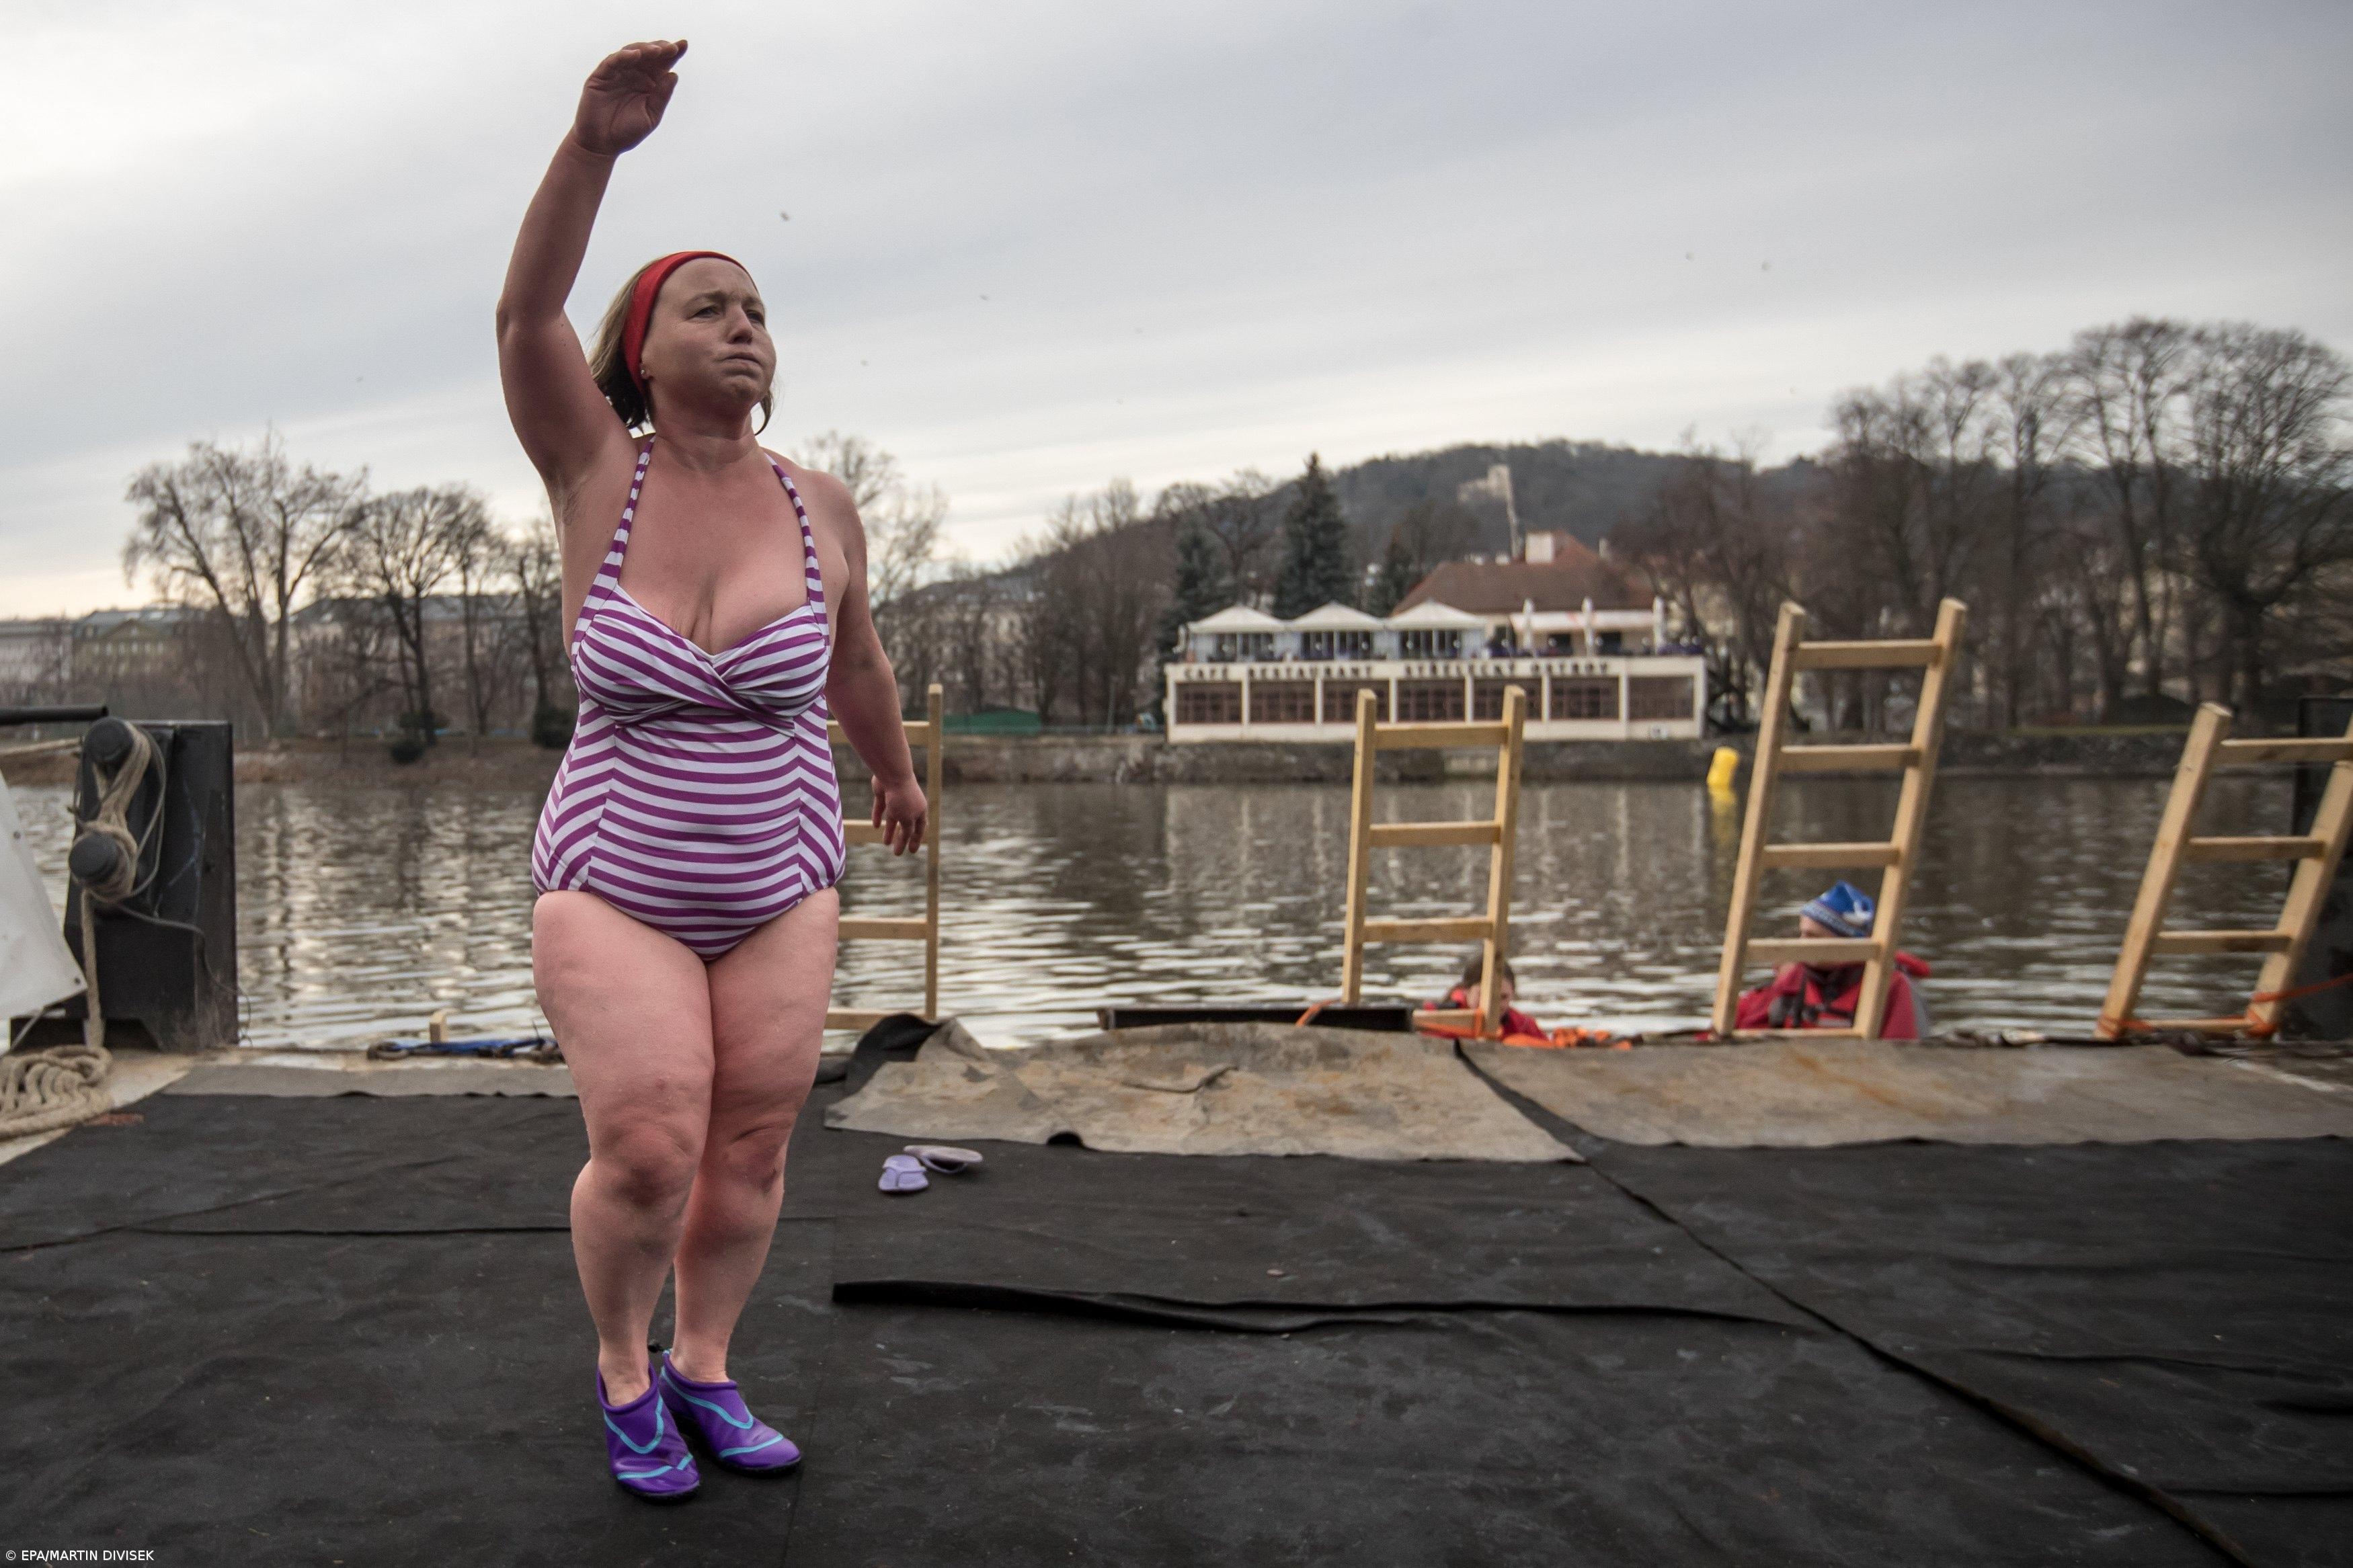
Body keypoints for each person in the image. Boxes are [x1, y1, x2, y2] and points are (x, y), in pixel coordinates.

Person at [497, 40, 928, 1503]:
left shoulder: (819, 503)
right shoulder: (593, 474)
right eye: (708, 304)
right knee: (650, 1137)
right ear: (642, 342)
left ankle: (707, 1365)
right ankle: (624, 1370)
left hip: (779, 872)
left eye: (757, 307)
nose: (743, 326)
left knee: (747, 1142)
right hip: (616, 877)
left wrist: (898, 770)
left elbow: (856, 660)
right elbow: (522, 311)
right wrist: (593, 145)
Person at [1732, 880, 1932, 1038]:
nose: (1801, 945)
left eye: (1813, 937)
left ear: (1846, 943)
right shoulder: (1794, 979)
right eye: (1802, 934)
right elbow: (1743, 1026)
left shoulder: (1892, 986)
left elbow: (1907, 1057)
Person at [1425, 950, 1546, 1040]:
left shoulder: (1525, 1027)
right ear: (1466, 990)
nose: (1494, 1005)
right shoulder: (1432, 1019)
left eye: (1503, 997)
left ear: (1512, 995)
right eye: (1484, 996)